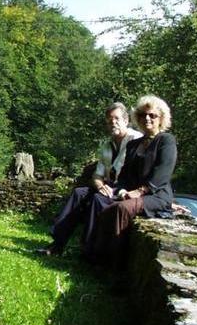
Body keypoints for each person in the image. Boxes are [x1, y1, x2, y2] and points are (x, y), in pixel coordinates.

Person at [36, 102, 141, 256]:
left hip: (124, 188)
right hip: (107, 186)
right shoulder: (106, 145)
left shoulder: (136, 140)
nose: (113, 122)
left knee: (97, 199)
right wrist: (100, 186)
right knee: (79, 193)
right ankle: (57, 244)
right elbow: (97, 175)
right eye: (109, 120)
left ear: (126, 120)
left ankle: (88, 250)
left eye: (116, 119)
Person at [89, 95, 177, 266]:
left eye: (152, 115)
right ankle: (92, 254)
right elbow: (124, 176)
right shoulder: (133, 145)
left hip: (156, 196)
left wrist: (140, 191)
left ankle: (115, 266)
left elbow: (163, 173)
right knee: (100, 201)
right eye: (143, 115)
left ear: (161, 119)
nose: (147, 118)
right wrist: (122, 190)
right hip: (132, 194)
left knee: (121, 209)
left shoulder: (166, 140)